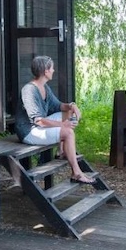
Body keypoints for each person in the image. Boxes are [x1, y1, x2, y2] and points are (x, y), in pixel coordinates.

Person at [14, 55, 95, 184]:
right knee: (68, 132)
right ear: (45, 71)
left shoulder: (45, 87)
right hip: (28, 131)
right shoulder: (29, 90)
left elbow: (58, 106)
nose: (53, 70)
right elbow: (38, 120)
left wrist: (72, 106)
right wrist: (63, 125)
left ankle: (61, 152)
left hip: (39, 126)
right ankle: (76, 173)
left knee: (67, 112)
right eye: (51, 68)